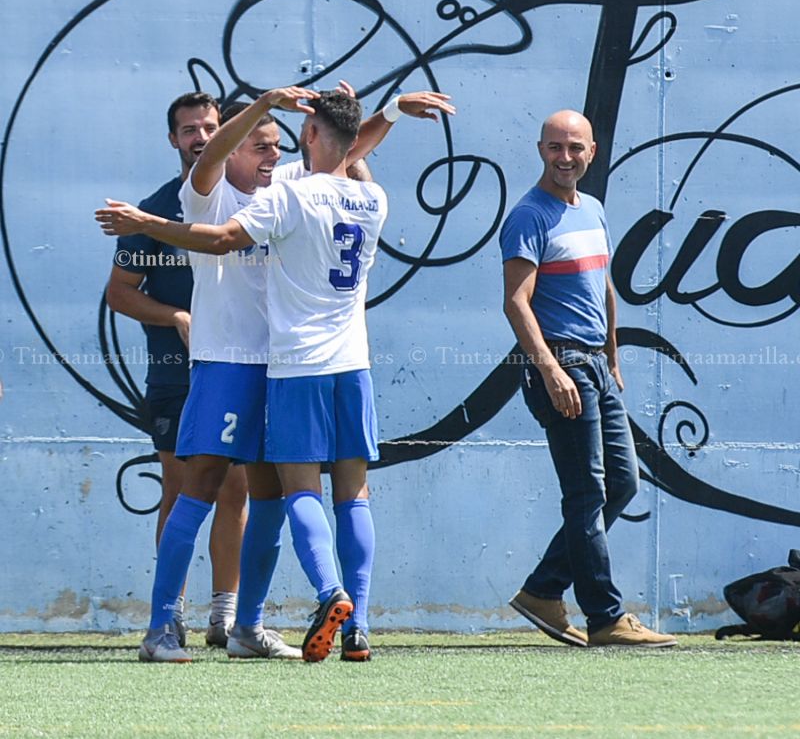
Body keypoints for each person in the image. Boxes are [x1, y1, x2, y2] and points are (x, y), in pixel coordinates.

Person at [96, 88, 456, 663]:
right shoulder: (205, 195)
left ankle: (246, 626)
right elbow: (215, 159)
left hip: (283, 367)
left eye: (278, 145)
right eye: (259, 145)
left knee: (267, 498)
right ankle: (161, 628)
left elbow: (341, 151)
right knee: (199, 489)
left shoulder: (286, 188)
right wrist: (263, 106)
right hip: (226, 364)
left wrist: (384, 114)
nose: (271, 154)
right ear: (233, 146)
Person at [500, 109, 677, 648]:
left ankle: (543, 589)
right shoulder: (528, 216)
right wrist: (549, 368)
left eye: (575, 148)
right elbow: (516, 302)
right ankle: (606, 616)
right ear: (540, 150)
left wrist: (613, 356)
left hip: (596, 365)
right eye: (556, 147)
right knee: (585, 494)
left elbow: (605, 290)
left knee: (622, 483)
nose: (565, 157)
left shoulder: (593, 210)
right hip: (561, 365)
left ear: (591, 152)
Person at [105, 91, 249, 647]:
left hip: (236, 368)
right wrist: (177, 316)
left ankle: (226, 616)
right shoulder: (153, 210)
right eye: (189, 129)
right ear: (173, 139)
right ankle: (172, 613)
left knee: (237, 487)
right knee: (183, 487)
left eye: (210, 127)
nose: (201, 137)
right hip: (175, 374)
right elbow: (120, 293)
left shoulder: (247, 204)